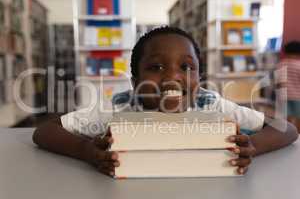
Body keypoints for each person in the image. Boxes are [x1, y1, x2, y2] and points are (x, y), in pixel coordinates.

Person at [33, 27, 298, 177]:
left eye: (186, 67)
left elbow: (287, 129)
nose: (173, 77)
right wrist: (88, 151)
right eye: (156, 67)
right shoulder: (118, 108)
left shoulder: (211, 104)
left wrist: (252, 145)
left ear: (200, 78)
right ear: (136, 82)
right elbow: (44, 132)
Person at [277, 41, 300, 131]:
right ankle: (298, 134)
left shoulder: (281, 64)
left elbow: (279, 82)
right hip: (298, 96)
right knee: (298, 117)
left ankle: (289, 134)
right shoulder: (299, 65)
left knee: (288, 117)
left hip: (284, 96)